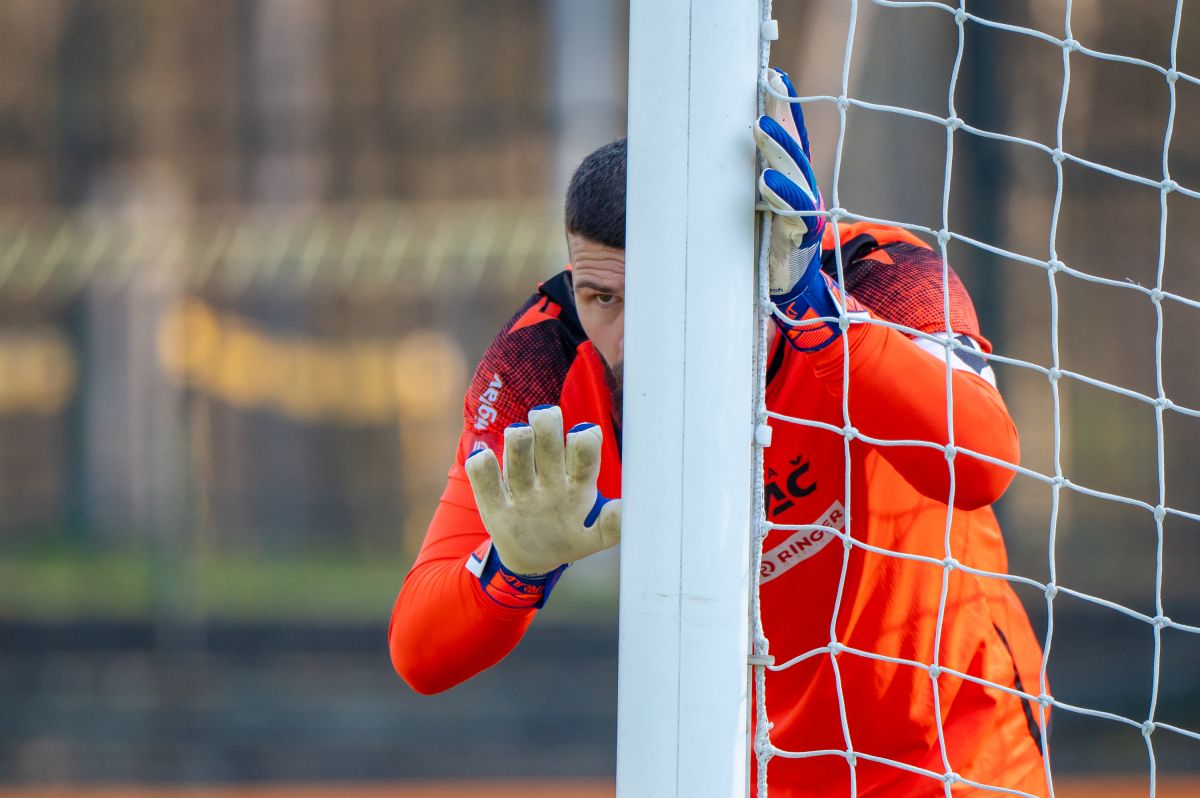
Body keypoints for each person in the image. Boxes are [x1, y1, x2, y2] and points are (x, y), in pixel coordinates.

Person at [389, 69, 1048, 797]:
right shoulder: (542, 365)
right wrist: (514, 569)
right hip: (746, 768)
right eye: (602, 297)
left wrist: (820, 317)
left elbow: (982, 465)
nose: (631, 338)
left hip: (958, 748)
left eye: (664, 296)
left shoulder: (873, 275)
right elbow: (419, 652)